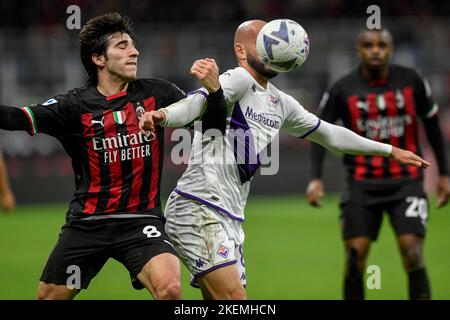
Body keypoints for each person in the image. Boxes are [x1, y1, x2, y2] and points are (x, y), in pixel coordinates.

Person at [139, 20, 430, 300]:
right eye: (262, 38)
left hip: (229, 217)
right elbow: (197, 103)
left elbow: (330, 134)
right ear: (241, 51)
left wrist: (388, 150)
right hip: (198, 207)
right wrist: (164, 116)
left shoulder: (281, 103)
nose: (272, 43)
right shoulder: (237, 79)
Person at [0, 12, 225, 300]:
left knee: (169, 288)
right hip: (87, 225)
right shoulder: (73, 106)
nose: (135, 52)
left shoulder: (160, 94)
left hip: (140, 222)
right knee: (48, 298)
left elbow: (213, 131)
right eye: (122, 46)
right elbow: (16, 117)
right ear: (98, 59)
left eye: (133, 45)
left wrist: (215, 92)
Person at [306, 29, 450, 300]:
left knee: (413, 253)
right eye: (368, 45)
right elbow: (319, 131)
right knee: (354, 259)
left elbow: (432, 125)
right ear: (358, 51)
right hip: (361, 184)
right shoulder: (343, 88)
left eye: (381, 45)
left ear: (391, 49)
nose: (375, 50)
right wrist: (316, 178)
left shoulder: (412, 81)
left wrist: (444, 173)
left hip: (406, 183)